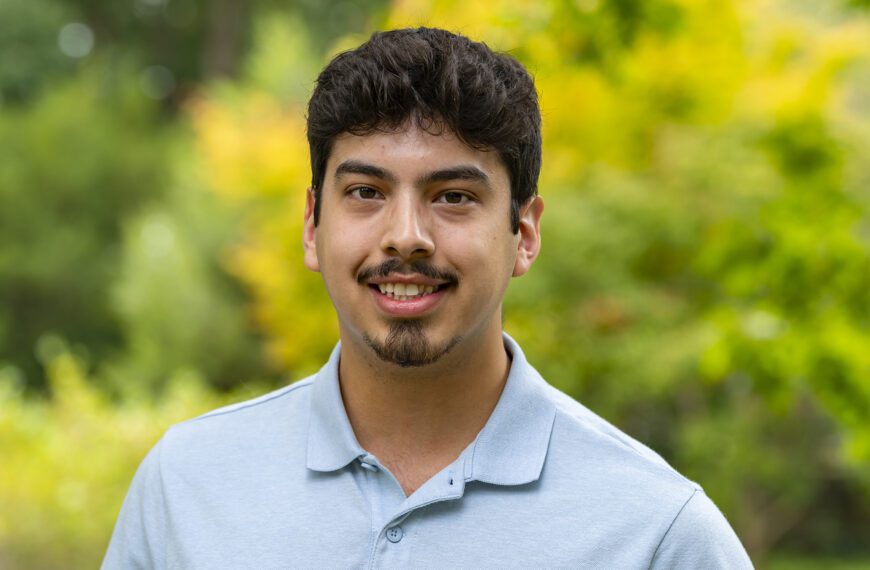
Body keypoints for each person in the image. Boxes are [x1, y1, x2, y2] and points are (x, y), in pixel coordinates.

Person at [103, 27, 753, 568]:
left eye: (454, 197)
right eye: (366, 192)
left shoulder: (658, 532)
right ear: (311, 225)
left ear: (524, 234)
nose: (406, 237)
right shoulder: (184, 486)